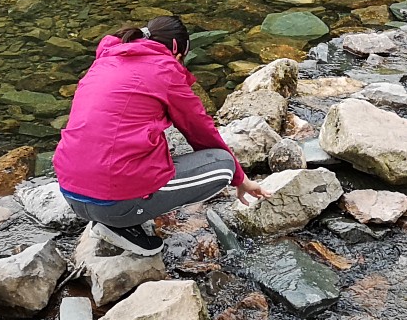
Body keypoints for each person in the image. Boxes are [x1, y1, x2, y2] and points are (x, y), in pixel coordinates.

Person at [53, 14, 264, 255]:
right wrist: (241, 179)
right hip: (113, 202)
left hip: (70, 192)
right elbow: (201, 131)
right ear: (176, 50)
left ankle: (113, 215)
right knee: (224, 165)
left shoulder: (104, 61)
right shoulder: (165, 69)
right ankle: (122, 224)